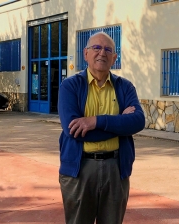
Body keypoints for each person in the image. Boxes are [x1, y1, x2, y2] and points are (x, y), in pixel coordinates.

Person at [58, 32, 145, 224]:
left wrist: (95, 121)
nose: (102, 53)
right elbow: (73, 130)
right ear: (85, 53)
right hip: (79, 170)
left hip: (116, 168)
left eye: (108, 49)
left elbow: (138, 121)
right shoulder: (70, 86)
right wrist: (120, 123)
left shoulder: (125, 87)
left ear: (114, 58)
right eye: (96, 48)